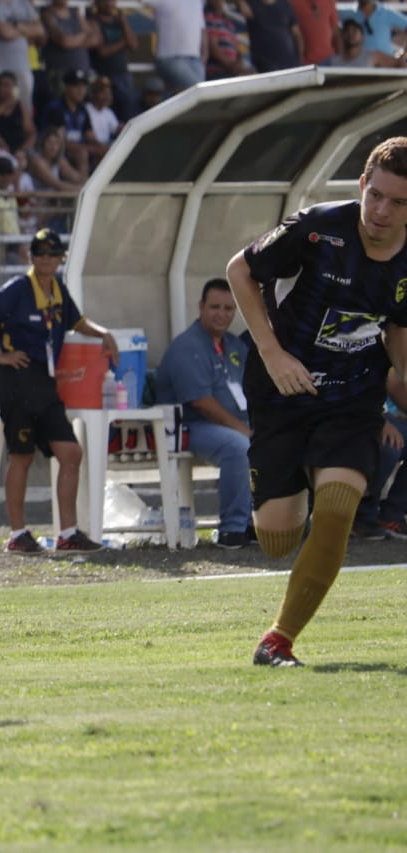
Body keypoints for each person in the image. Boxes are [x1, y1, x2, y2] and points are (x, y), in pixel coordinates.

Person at [224, 136, 407, 667]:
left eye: (398, 203)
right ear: (362, 187)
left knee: (336, 511)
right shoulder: (317, 227)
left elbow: (398, 336)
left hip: (353, 397)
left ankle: (277, 640)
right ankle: (299, 477)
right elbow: (240, 269)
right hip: (284, 389)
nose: (382, 210)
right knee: (278, 539)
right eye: (376, 196)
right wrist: (273, 353)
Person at [0, 228, 119, 554]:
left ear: (60, 258)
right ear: (31, 257)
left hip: (44, 382)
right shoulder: (19, 288)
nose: (45, 260)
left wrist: (102, 333)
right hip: (18, 379)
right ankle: (17, 534)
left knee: (71, 452)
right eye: (39, 254)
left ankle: (67, 533)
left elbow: (75, 320)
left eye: (52, 254)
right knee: (21, 456)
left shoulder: (56, 289)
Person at [154, 279, 253, 549]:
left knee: (281, 438)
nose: (222, 314)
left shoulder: (234, 345)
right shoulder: (188, 346)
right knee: (240, 447)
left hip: (235, 422)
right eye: (215, 307)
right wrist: (243, 429)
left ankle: (260, 523)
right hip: (191, 426)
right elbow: (202, 403)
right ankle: (233, 529)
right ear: (200, 307)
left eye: (228, 308)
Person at [352, 369, 407, 539]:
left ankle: (392, 516)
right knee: (389, 445)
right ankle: (360, 516)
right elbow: (394, 378)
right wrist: (380, 418)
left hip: (392, 416)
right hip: (369, 413)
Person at [0, 0, 44, 114]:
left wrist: (15, 25)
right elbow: (5, 33)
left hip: (23, 68)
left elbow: (40, 30)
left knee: (25, 111)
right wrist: (27, 30)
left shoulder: (24, 3)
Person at [87, 0, 139, 120]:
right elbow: (102, 51)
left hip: (123, 75)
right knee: (108, 111)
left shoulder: (119, 21)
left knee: (128, 110)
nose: (109, 4)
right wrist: (122, 42)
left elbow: (133, 45)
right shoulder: (93, 21)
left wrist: (123, 20)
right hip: (104, 76)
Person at [145, 0, 208, 93]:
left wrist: (204, 54)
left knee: (197, 94)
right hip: (170, 58)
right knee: (198, 92)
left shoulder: (197, 1)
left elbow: (202, 29)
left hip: (195, 59)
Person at [235, 0, 303, 73]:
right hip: (265, 67)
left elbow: (296, 34)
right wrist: (240, 2)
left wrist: (299, 61)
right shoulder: (250, 4)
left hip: (291, 65)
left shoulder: (284, 4)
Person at [330, 18, 402, 68]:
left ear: (362, 37)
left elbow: (399, 64)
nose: (350, 34)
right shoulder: (334, 60)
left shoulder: (373, 56)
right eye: (347, 31)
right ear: (342, 35)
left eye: (354, 31)